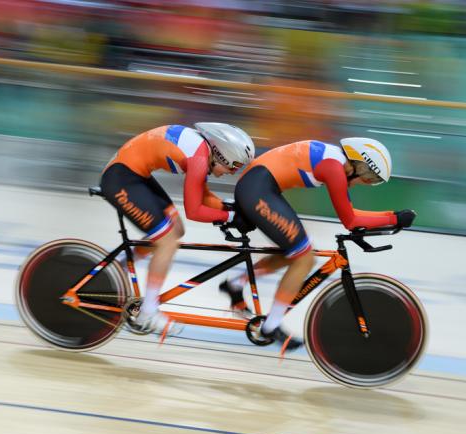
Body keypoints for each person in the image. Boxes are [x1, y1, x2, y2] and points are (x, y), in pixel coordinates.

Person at [220, 137, 416, 348]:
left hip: (259, 187)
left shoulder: (333, 160)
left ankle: (236, 284)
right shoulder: (334, 167)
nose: (364, 183)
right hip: (257, 190)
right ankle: (270, 326)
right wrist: (394, 218)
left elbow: (350, 216)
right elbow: (350, 220)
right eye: (368, 178)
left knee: (297, 249)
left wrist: (390, 217)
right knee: (304, 258)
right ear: (359, 164)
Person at [100, 123, 255, 335]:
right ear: (222, 154)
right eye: (232, 167)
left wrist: (231, 209)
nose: (230, 173)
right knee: (167, 241)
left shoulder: (202, 151)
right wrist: (230, 216)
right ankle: (148, 312)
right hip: (121, 179)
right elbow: (194, 211)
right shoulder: (199, 157)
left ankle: (120, 269)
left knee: (176, 229)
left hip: (135, 176)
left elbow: (202, 195)